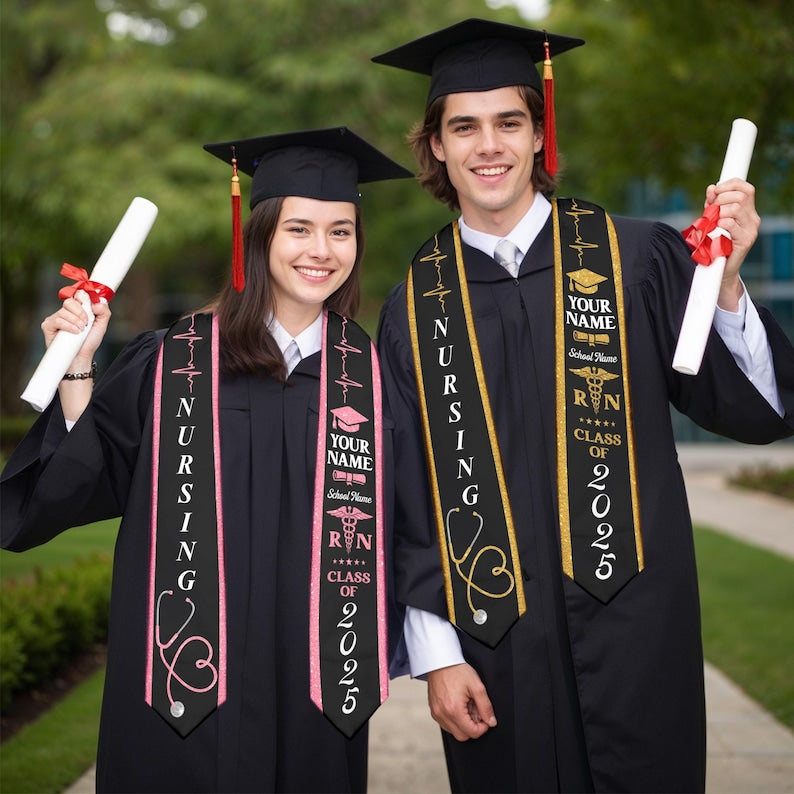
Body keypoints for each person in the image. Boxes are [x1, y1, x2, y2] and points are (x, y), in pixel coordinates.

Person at [372, 18, 794, 794]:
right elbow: (407, 498)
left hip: (636, 626)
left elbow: (758, 412)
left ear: (539, 134)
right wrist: (437, 656)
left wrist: (728, 287)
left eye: (509, 121)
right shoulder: (415, 307)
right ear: (436, 146)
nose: (488, 145)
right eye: (464, 126)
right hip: (494, 648)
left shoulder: (635, 257)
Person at [1, 126, 411, 793]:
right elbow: (86, 482)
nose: (321, 250)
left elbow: (410, 520)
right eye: (299, 229)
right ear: (259, 237)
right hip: (183, 690)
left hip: (314, 684)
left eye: (341, 231)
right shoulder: (177, 361)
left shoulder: (371, 376)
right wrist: (78, 368)